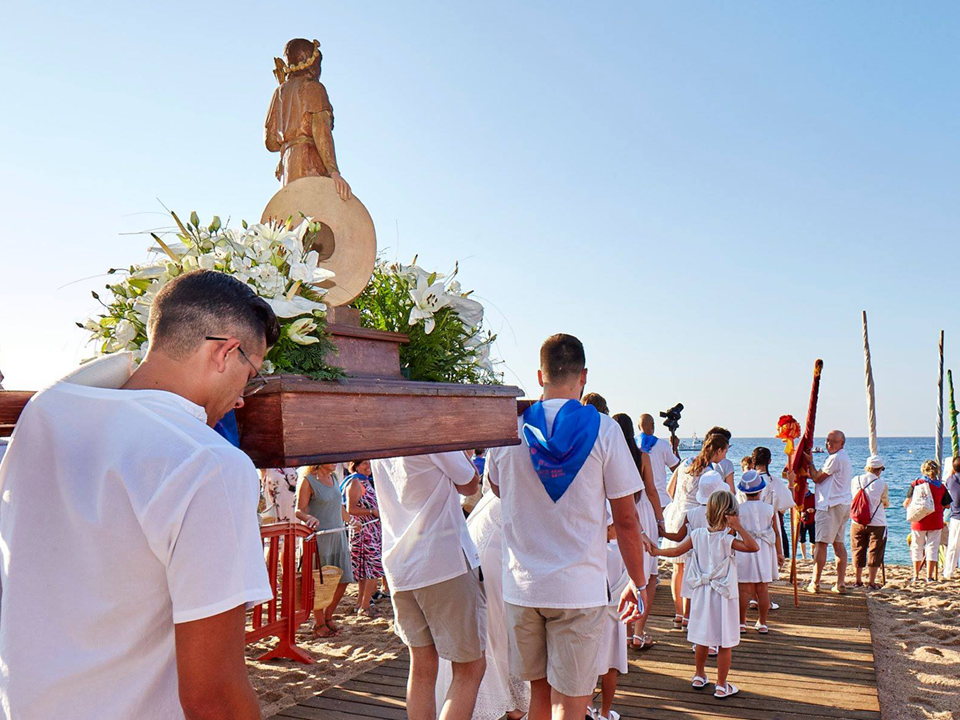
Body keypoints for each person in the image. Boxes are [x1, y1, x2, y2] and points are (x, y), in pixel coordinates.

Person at [0, 269, 279, 719]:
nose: (244, 396)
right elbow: (214, 696)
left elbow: (91, 385)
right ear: (225, 352)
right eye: (253, 373)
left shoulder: (43, 416)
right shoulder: (207, 463)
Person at [487, 334, 646, 720]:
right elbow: (626, 519)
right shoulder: (604, 430)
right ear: (584, 376)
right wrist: (637, 582)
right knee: (571, 706)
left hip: (523, 586)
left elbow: (494, 487)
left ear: (540, 374)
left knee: (538, 699)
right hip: (579, 588)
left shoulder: (511, 427)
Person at [370, 451, 485, 720]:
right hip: (443, 560)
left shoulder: (376, 432)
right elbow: (470, 484)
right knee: (470, 667)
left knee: (421, 668)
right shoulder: (431, 427)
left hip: (401, 562)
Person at [651, 490, 759, 699]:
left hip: (701, 593)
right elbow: (753, 547)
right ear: (731, 514)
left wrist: (656, 551)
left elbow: (675, 552)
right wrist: (738, 528)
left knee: (702, 637)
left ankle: (699, 675)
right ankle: (721, 684)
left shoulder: (697, 534)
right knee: (724, 641)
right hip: (723, 595)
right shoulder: (727, 540)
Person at [435, 491, 530, 720]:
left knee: (493, 633)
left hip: (478, 552)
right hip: (494, 556)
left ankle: (511, 702)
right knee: (496, 634)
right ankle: (507, 703)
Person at [664, 433, 731, 628]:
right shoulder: (710, 472)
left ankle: (678, 614)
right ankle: (688, 614)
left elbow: (670, 489)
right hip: (696, 517)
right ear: (718, 451)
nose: (725, 455)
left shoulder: (685, 462)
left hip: (677, 514)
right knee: (693, 568)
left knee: (678, 569)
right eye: (725, 451)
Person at [612, 413, 663, 650]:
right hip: (642, 510)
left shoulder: (611, 454)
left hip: (618, 509)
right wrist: (660, 518)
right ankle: (639, 632)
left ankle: (624, 630)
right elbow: (651, 490)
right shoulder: (642, 456)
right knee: (648, 575)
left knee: (623, 572)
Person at [296, 463, 354, 636]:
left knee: (344, 578)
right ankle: (319, 623)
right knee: (319, 583)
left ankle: (328, 617)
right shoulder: (308, 480)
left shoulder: (334, 478)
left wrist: (351, 521)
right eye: (331, 458)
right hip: (319, 538)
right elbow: (299, 510)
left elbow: (339, 506)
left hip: (337, 536)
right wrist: (308, 518)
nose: (336, 462)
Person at [590, 510, 629, 720]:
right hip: (614, 617)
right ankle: (605, 712)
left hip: (592, 616)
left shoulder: (591, 551)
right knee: (611, 667)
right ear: (607, 528)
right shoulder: (621, 551)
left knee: (588, 667)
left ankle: (587, 709)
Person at [735, 471, 783, 634]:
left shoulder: (739, 509)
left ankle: (742, 622)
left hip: (744, 549)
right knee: (762, 589)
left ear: (743, 492)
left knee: (743, 589)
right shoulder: (769, 509)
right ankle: (762, 622)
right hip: (763, 549)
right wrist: (779, 552)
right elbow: (777, 532)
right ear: (761, 490)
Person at [805, 430, 853, 594]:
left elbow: (817, 477)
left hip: (831, 504)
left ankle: (815, 582)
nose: (829, 444)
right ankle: (840, 583)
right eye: (827, 441)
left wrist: (810, 463)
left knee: (821, 543)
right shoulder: (843, 457)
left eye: (833, 441)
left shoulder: (836, 458)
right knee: (838, 544)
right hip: (842, 503)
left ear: (842, 443)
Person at [340, 460, 384, 616]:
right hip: (364, 531)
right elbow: (351, 509)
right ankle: (365, 606)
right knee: (373, 568)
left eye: (370, 463)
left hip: (371, 530)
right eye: (365, 463)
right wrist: (372, 511)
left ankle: (361, 603)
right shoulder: (355, 482)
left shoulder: (365, 481)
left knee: (366, 570)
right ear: (356, 465)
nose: (368, 467)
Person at [904, 460, 952, 583]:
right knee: (932, 547)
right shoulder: (941, 486)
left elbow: (906, 503)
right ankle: (929, 577)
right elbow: (947, 505)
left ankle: (916, 575)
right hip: (935, 520)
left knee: (917, 547)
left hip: (918, 520)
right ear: (936, 471)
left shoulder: (916, 484)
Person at [848, 456, 889, 590]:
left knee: (857, 549)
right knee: (875, 551)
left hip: (857, 520)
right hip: (877, 521)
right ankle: (871, 582)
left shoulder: (855, 480)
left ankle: (858, 580)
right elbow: (885, 503)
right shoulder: (882, 483)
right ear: (879, 470)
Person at [638, 413, 681, 511]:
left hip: (639, 501)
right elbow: (677, 470)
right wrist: (675, 448)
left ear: (638, 426)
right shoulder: (663, 445)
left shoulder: (632, 445)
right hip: (660, 499)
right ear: (653, 425)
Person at [944, 457, 960, 580]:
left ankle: (948, 571)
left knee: (953, 546)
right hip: (957, 516)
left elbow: (948, 481)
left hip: (956, 516)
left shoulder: (952, 480)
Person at [799, 489, 816, 560]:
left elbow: (819, 507)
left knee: (813, 540)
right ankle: (804, 556)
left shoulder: (813, 496)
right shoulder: (799, 497)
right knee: (801, 539)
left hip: (812, 520)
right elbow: (795, 508)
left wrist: (813, 510)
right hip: (802, 521)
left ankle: (812, 551)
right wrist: (801, 513)